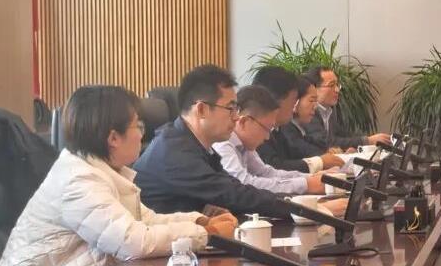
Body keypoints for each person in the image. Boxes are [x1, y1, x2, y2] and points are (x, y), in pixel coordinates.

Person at [0, 85, 237, 266]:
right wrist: (208, 234)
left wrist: (199, 221)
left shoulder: (103, 171)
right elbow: (133, 242)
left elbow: (146, 220)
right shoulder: (78, 181)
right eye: (138, 126)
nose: (143, 134)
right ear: (113, 138)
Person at [134, 64, 300, 218]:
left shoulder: (196, 145)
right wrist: (301, 209)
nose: (236, 117)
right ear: (201, 109)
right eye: (230, 108)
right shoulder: (174, 152)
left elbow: (232, 188)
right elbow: (233, 195)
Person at [212, 85, 347, 216]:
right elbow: (245, 183)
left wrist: (310, 178)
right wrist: (306, 185)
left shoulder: (245, 144)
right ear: (243, 122)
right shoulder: (223, 144)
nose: (267, 137)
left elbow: (266, 172)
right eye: (266, 129)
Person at [252, 66, 344, 173]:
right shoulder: (257, 131)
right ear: (276, 100)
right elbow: (274, 168)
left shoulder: (277, 130)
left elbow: (289, 160)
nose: (294, 106)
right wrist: (319, 162)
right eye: (293, 100)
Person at [303, 65, 390, 150]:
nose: (337, 90)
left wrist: (371, 139)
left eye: (337, 85)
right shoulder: (307, 112)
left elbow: (343, 134)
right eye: (331, 85)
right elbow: (325, 142)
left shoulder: (329, 110)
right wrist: (367, 141)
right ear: (313, 88)